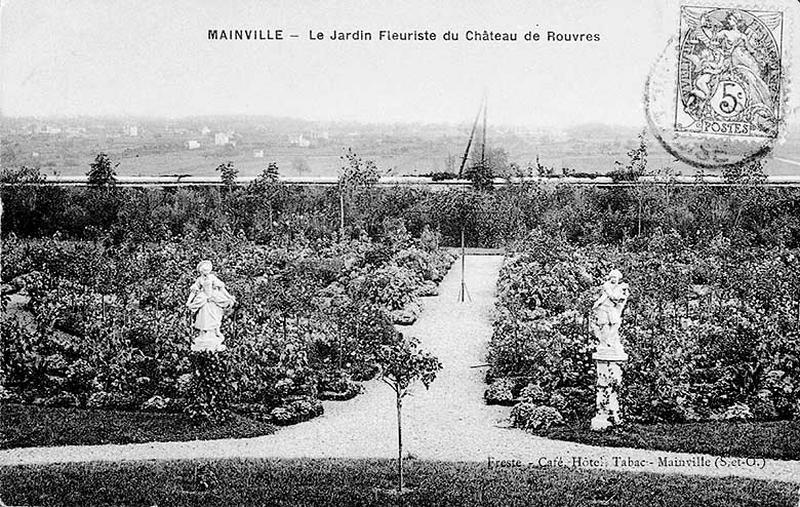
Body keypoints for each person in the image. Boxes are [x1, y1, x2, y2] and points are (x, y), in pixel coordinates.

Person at [186, 260, 236, 352]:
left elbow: (222, 288)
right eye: (203, 271)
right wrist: (188, 302)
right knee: (204, 317)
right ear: (201, 271)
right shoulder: (199, 279)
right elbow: (194, 291)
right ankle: (204, 336)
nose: (205, 273)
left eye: (207, 271)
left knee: (214, 316)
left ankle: (214, 333)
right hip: (204, 299)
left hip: (212, 299)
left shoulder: (212, 277)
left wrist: (229, 296)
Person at [592, 269, 630, 350]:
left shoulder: (618, 287)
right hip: (603, 307)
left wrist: (624, 294)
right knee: (605, 326)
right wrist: (620, 291)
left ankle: (611, 339)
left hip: (611, 308)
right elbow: (613, 297)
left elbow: (622, 298)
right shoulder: (607, 285)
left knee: (616, 323)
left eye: (615, 277)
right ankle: (604, 344)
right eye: (612, 277)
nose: (614, 279)